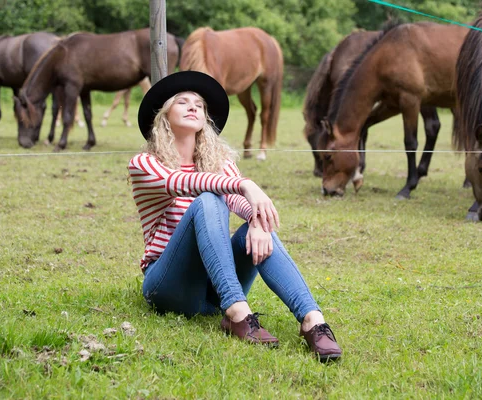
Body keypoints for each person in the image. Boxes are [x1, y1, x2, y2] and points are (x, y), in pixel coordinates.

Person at [129, 71, 342, 362]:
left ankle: (313, 321)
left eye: (199, 105)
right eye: (182, 102)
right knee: (208, 200)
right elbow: (186, 183)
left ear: (206, 119)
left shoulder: (219, 164)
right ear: (164, 114)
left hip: (211, 291)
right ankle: (238, 312)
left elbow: (241, 203)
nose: (193, 107)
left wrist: (255, 222)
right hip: (168, 286)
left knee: (255, 228)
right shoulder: (144, 164)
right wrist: (244, 184)